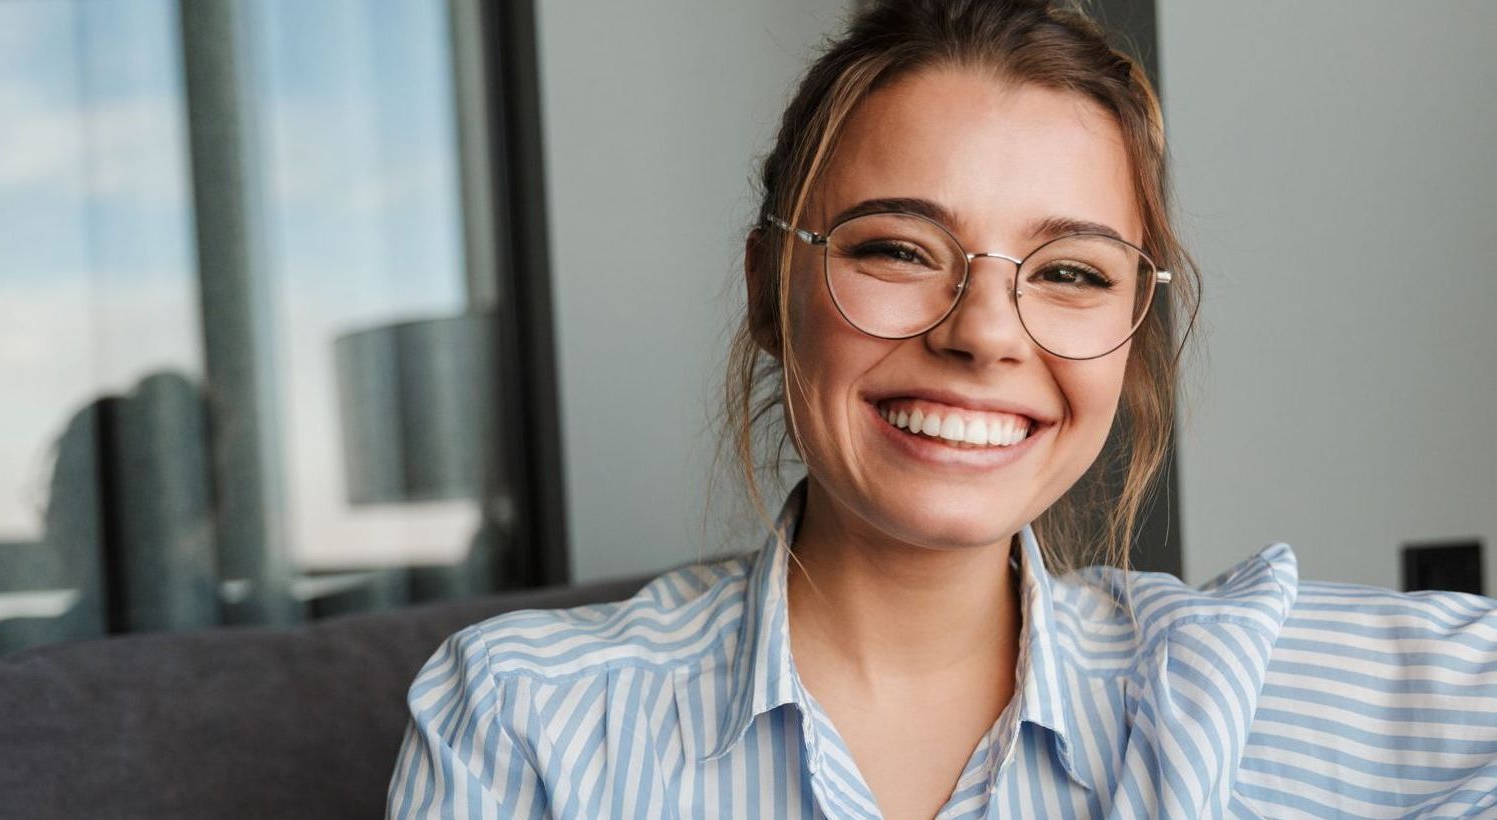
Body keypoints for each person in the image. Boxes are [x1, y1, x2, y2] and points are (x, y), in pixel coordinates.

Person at [387, 1, 1497, 817]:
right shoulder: (525, 718)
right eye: (897, 249)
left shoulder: (1229, 685)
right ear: (770, 290)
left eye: (1070, 271)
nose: (984, 330)